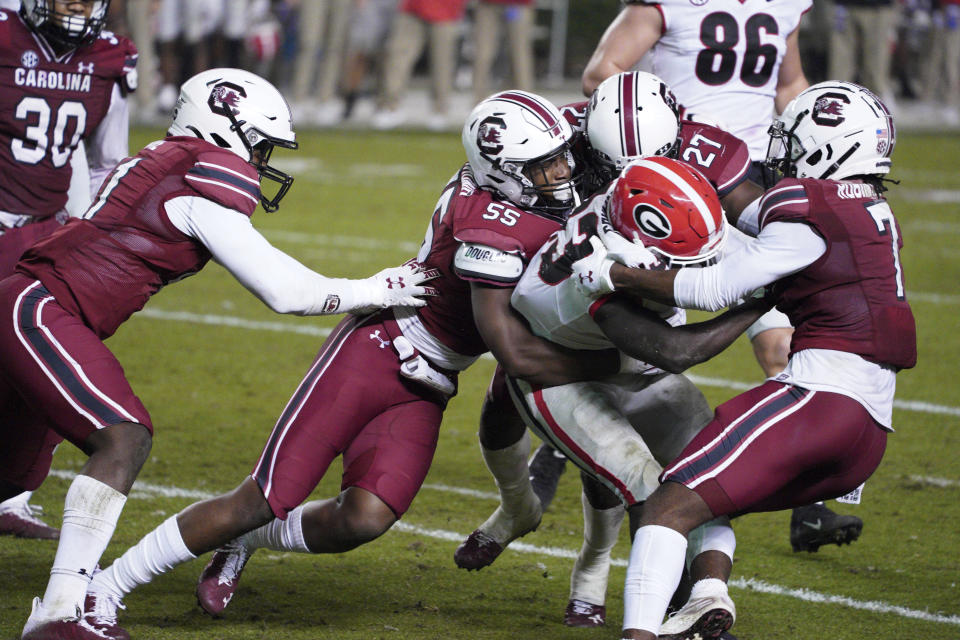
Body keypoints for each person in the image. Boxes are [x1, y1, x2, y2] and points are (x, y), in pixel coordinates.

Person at [80, 90, 627, 637]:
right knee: (265, 497)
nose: (562, 171)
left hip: (432, 380)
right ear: (500, 173)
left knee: (364, 518)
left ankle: (241, 542)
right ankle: (104, 587)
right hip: (378, 347)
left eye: (562, 155)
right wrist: (624, 361)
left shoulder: (514, 187)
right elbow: (513, 351)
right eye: (543, 164)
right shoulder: (488, 221)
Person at [3, 66, 437, 640]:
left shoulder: (167, 157)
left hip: (38, 307)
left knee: (11, 474)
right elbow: (284, 292)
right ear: (224, 126)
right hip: (39, 310)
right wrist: (375, 289)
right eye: (260, 145)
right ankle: (59, 614)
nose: (262, 163)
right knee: (123, 436)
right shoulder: (196, 177)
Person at [572, 80, 915, 639]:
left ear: (829, 148)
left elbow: (715, 287)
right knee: (702, 497)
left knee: (666, 506)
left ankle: (637, 632)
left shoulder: (809, 203)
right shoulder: (871, 212)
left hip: (818, 401)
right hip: (869, 430)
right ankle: (704, 601)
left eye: (793, 140)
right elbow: (751, 230)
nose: (781, 152)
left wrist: (615, 273)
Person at [455, 71, 755, 631]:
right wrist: (757, 305)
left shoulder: (633, 196)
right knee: (649, 490)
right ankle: (642, 602)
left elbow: (728, 238)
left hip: (622, 348)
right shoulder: (603, 274)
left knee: (705, 471)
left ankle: (709, 594)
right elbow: (675, 350)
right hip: (558, 373)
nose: (562, 171)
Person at [577, 1, 865, 553]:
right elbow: (601, 73)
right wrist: (669, 124)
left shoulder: (783, 4)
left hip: (749, 185)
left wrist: (816, 152)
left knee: (782, 344)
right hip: (673, 180)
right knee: (633, 335)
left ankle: (809, 507)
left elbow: (792, 84)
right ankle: (555, 453)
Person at [0, 0, 138, 541]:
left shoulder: (112, 56)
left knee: (39, 368)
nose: (77, 3)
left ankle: (11, 492)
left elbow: (108, 157)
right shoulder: (6, 36)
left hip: (46, 234)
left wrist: (90, 230)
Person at [371, 0, 467, 130]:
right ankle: (389, 106)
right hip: (413, 9)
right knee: (397, 58)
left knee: (442, 63)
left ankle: (440, 110)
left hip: (446, 10)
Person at [471, 0, 535, 104]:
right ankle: (526, 99)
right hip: (494, 4)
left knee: (519, 53)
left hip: (515, 5)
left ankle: (479, 100)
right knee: (519, 53)